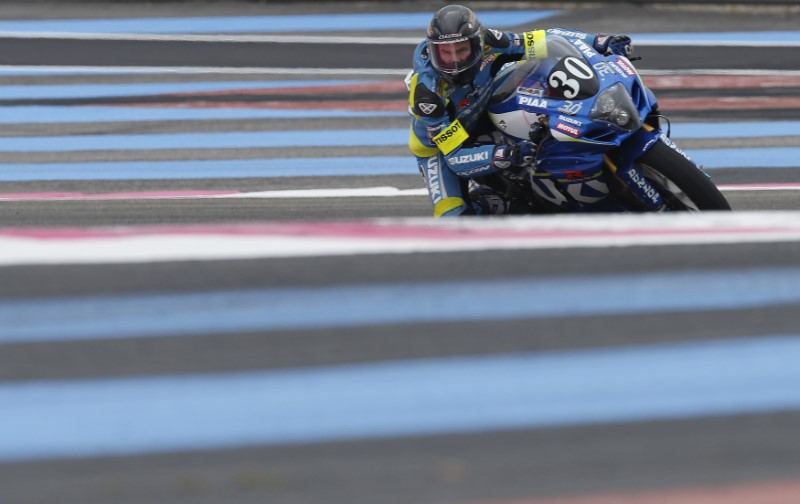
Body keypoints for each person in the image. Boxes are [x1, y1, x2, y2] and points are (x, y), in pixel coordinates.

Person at [406, 4, 633, 217]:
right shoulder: (428, 96)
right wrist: (505, 155)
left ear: (476, 44)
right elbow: (455, 158)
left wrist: (598, 41)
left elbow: (544, 39)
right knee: (453, 219)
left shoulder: (489, 40)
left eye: (461, 50)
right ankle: (492, 204)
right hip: (441, 147)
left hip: (484, 111)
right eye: (445, 53)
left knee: (535, 71)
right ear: (433, 50)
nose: (454, 61)